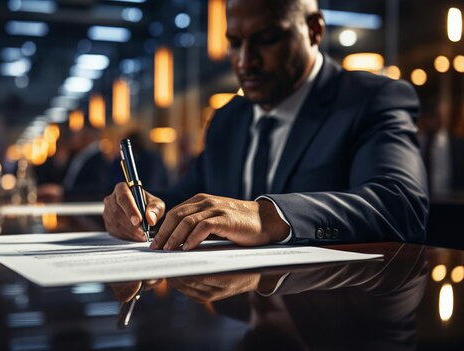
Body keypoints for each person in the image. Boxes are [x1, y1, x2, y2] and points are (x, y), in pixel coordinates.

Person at [103, 0, 428, 250]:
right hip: (234, 314)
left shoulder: (371, 98)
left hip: (332, 320)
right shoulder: (228, 118)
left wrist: (270, 215)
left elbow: (400, 207)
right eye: (234, 42)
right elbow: (186, 202)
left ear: (314, 30)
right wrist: (145, 211)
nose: (245, 61)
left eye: (267, 39)